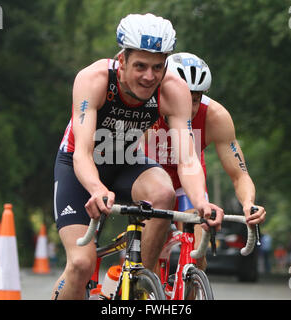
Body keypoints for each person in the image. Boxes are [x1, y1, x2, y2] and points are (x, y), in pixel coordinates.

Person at [52, 14, 223, 300]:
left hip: (127, 162)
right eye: (140, 66)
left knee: (163, 192)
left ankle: (140, 283)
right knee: (81, 264)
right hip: (80, 167)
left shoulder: (173, 89)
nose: (149, 76)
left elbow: (187, 160)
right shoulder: (93, 80)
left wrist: (201, 203)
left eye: (158, 67)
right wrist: (96, 189)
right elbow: (81, 152)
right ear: (122, 59)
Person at [144, 52, 266, 270]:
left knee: (196, 257)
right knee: (147, 259)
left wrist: (248, 203)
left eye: (195, 99)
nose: (189, 109)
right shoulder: (144, 108)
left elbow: (239, 175)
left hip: (187, 187)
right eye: (180, 97)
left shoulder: (215, 116)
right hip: (150, 184)